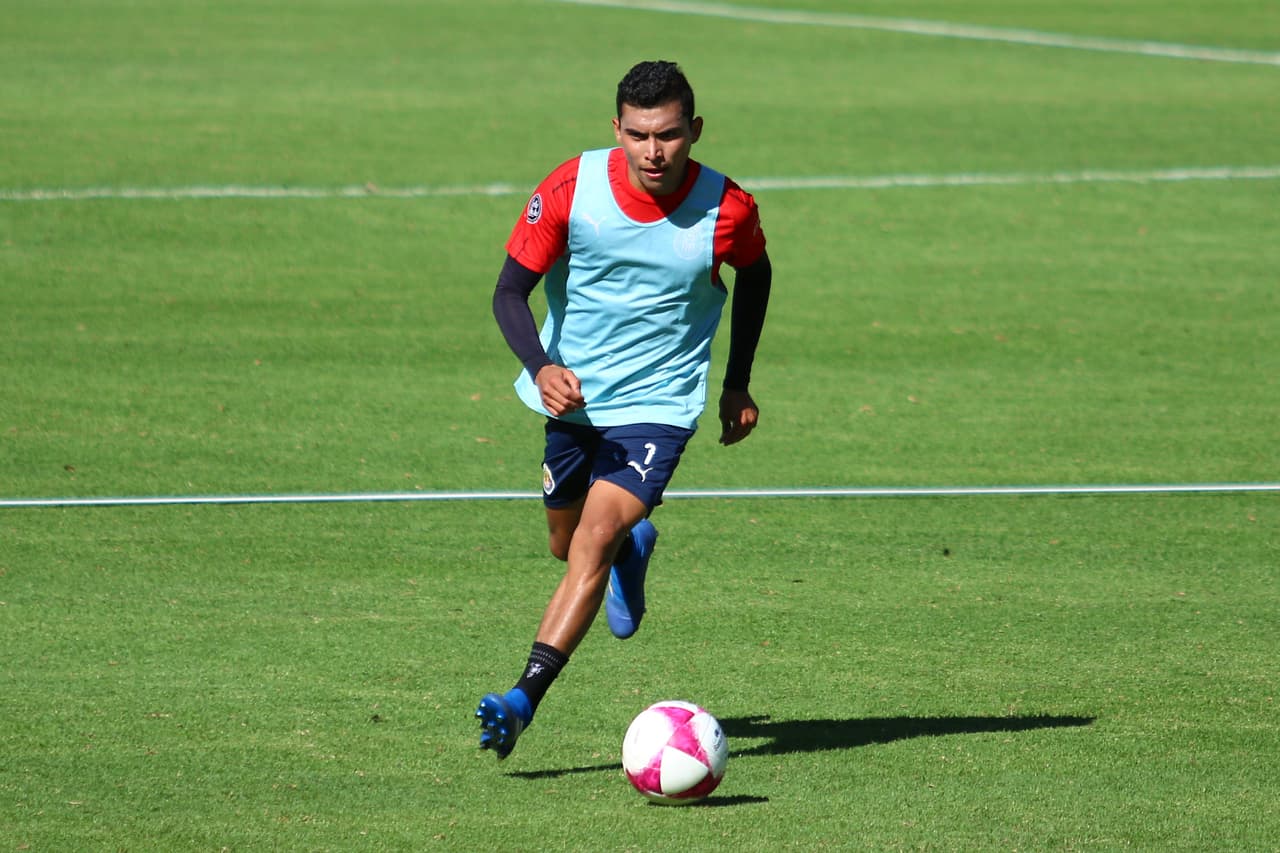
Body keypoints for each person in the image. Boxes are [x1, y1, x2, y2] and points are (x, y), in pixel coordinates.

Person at [477, 60, 773, 759]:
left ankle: (522, 698)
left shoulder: (728, 209)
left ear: (693, 131)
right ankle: (632, 548)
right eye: (638, 135)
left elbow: (757, 276)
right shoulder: (571, 188)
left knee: (593, 537)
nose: (654, 151)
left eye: (669, 134)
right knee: (565, 542)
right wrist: (541, 365)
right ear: (617, 129)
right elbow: (508, 293)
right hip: (574, 398)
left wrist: (737, 383)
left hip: (659, 404)